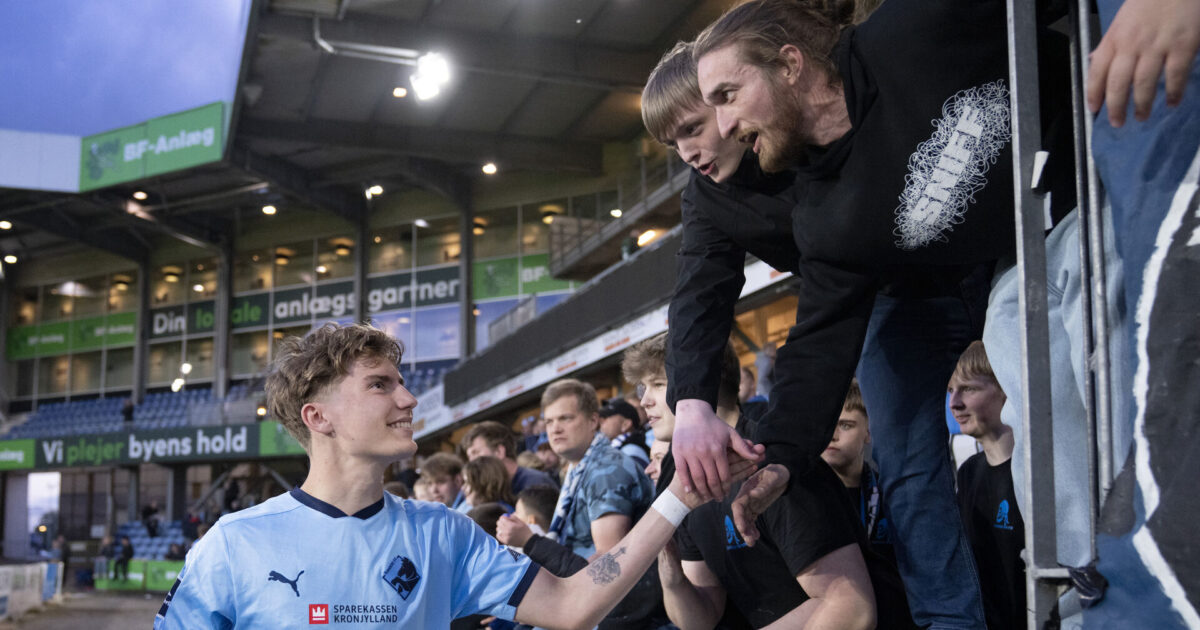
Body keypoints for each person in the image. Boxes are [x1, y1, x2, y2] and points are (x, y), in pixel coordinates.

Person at [676, 1, 1079, 625]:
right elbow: (819, 336)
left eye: (727, 96)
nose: (723, 126)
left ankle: (1101, 582)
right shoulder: (825, 215)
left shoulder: (915, 28)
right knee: (912, 467)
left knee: (1037, 357)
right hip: (922, 292)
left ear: (789, 65)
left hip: (1084, 193)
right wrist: (779, 456)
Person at [641, 32, 987, 629]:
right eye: (674, 142)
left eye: (696, 125)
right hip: (874, 302)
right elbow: (699, 298)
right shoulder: (708, 196)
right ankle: (952, 620)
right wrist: (691, 403)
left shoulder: (823, 124)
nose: (688, 152)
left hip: (978, 252)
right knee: (909, 465)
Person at [154, 322, 752, 629]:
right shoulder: (233, 545)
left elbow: (574, 607)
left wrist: (676, 497)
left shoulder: (447, 532)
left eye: (402, 380)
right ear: (320, 417)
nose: (410, 398)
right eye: (381, 384)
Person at [623, 333, 888, 629]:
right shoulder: (675, 474)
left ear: (703, 382)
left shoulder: (775, 465)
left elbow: (851, 609)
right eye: (642, 387)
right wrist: (672, 579)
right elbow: (701, 619)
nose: (644, 401)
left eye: (658, 384)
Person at [948, 341, 1025, 630]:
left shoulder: (1036, 473)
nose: (955, 403)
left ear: (1006, 387)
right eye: (950, 390)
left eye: (968, 389)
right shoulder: (968, 473)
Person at [462, 421, 558, 493]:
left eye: (476, 453)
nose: (472, 463)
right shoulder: (498, 490)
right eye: (470, 457)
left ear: (499, 452)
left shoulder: (535, 484)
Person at [597, 398, 651, 469]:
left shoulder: (630, 452)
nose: (601, 421)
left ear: (625, 424)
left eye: (606, 417)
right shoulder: (620, 449)